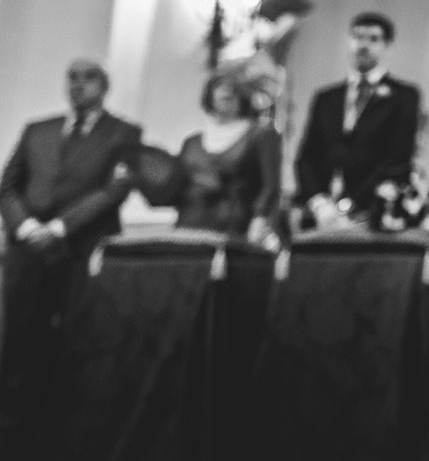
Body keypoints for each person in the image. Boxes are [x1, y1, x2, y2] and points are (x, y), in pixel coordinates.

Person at [0, 60, 141, 448]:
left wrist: (60, 228)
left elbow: (114, 191)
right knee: (20, 341)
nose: (78, 85)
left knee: (77, 339)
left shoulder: (124, 133)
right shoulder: (37, 130)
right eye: (72, 77)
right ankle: (11, 430)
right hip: (26, 251)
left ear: (104, 86)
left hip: (82, 249)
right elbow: (8, 185)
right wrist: (26, 227)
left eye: (88, 78)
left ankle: (61, 432)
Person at [294, 11, 421, 227]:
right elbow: (307, 156)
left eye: (373, 39)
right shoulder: (326, 98)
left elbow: (398, 159)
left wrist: (349, 205)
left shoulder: (403, 97)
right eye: (357, 37)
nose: (363, 45)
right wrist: (319, 202)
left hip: (369, 211)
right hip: (320, 213)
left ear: (387, 46)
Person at [172, 69, 283, 247]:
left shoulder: (261, 136)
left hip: (237, 224)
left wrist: (261, 218)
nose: (225, 93)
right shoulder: (192, 142)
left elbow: (270, 186)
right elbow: (176, 184)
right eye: (219, 88)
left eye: (231, 90)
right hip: (190, 222)